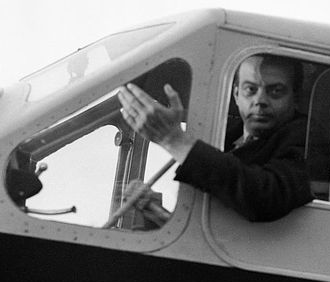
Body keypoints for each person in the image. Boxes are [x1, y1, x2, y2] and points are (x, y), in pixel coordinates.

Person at [118, 54, 313, 222]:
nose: (260, 101)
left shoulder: (308, 138)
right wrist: (156, 212)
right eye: (250, 90)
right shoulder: (221, 134)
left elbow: (267, 199)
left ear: (296, 99)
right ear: (236, 95)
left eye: (276, 91)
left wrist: (173, 139)